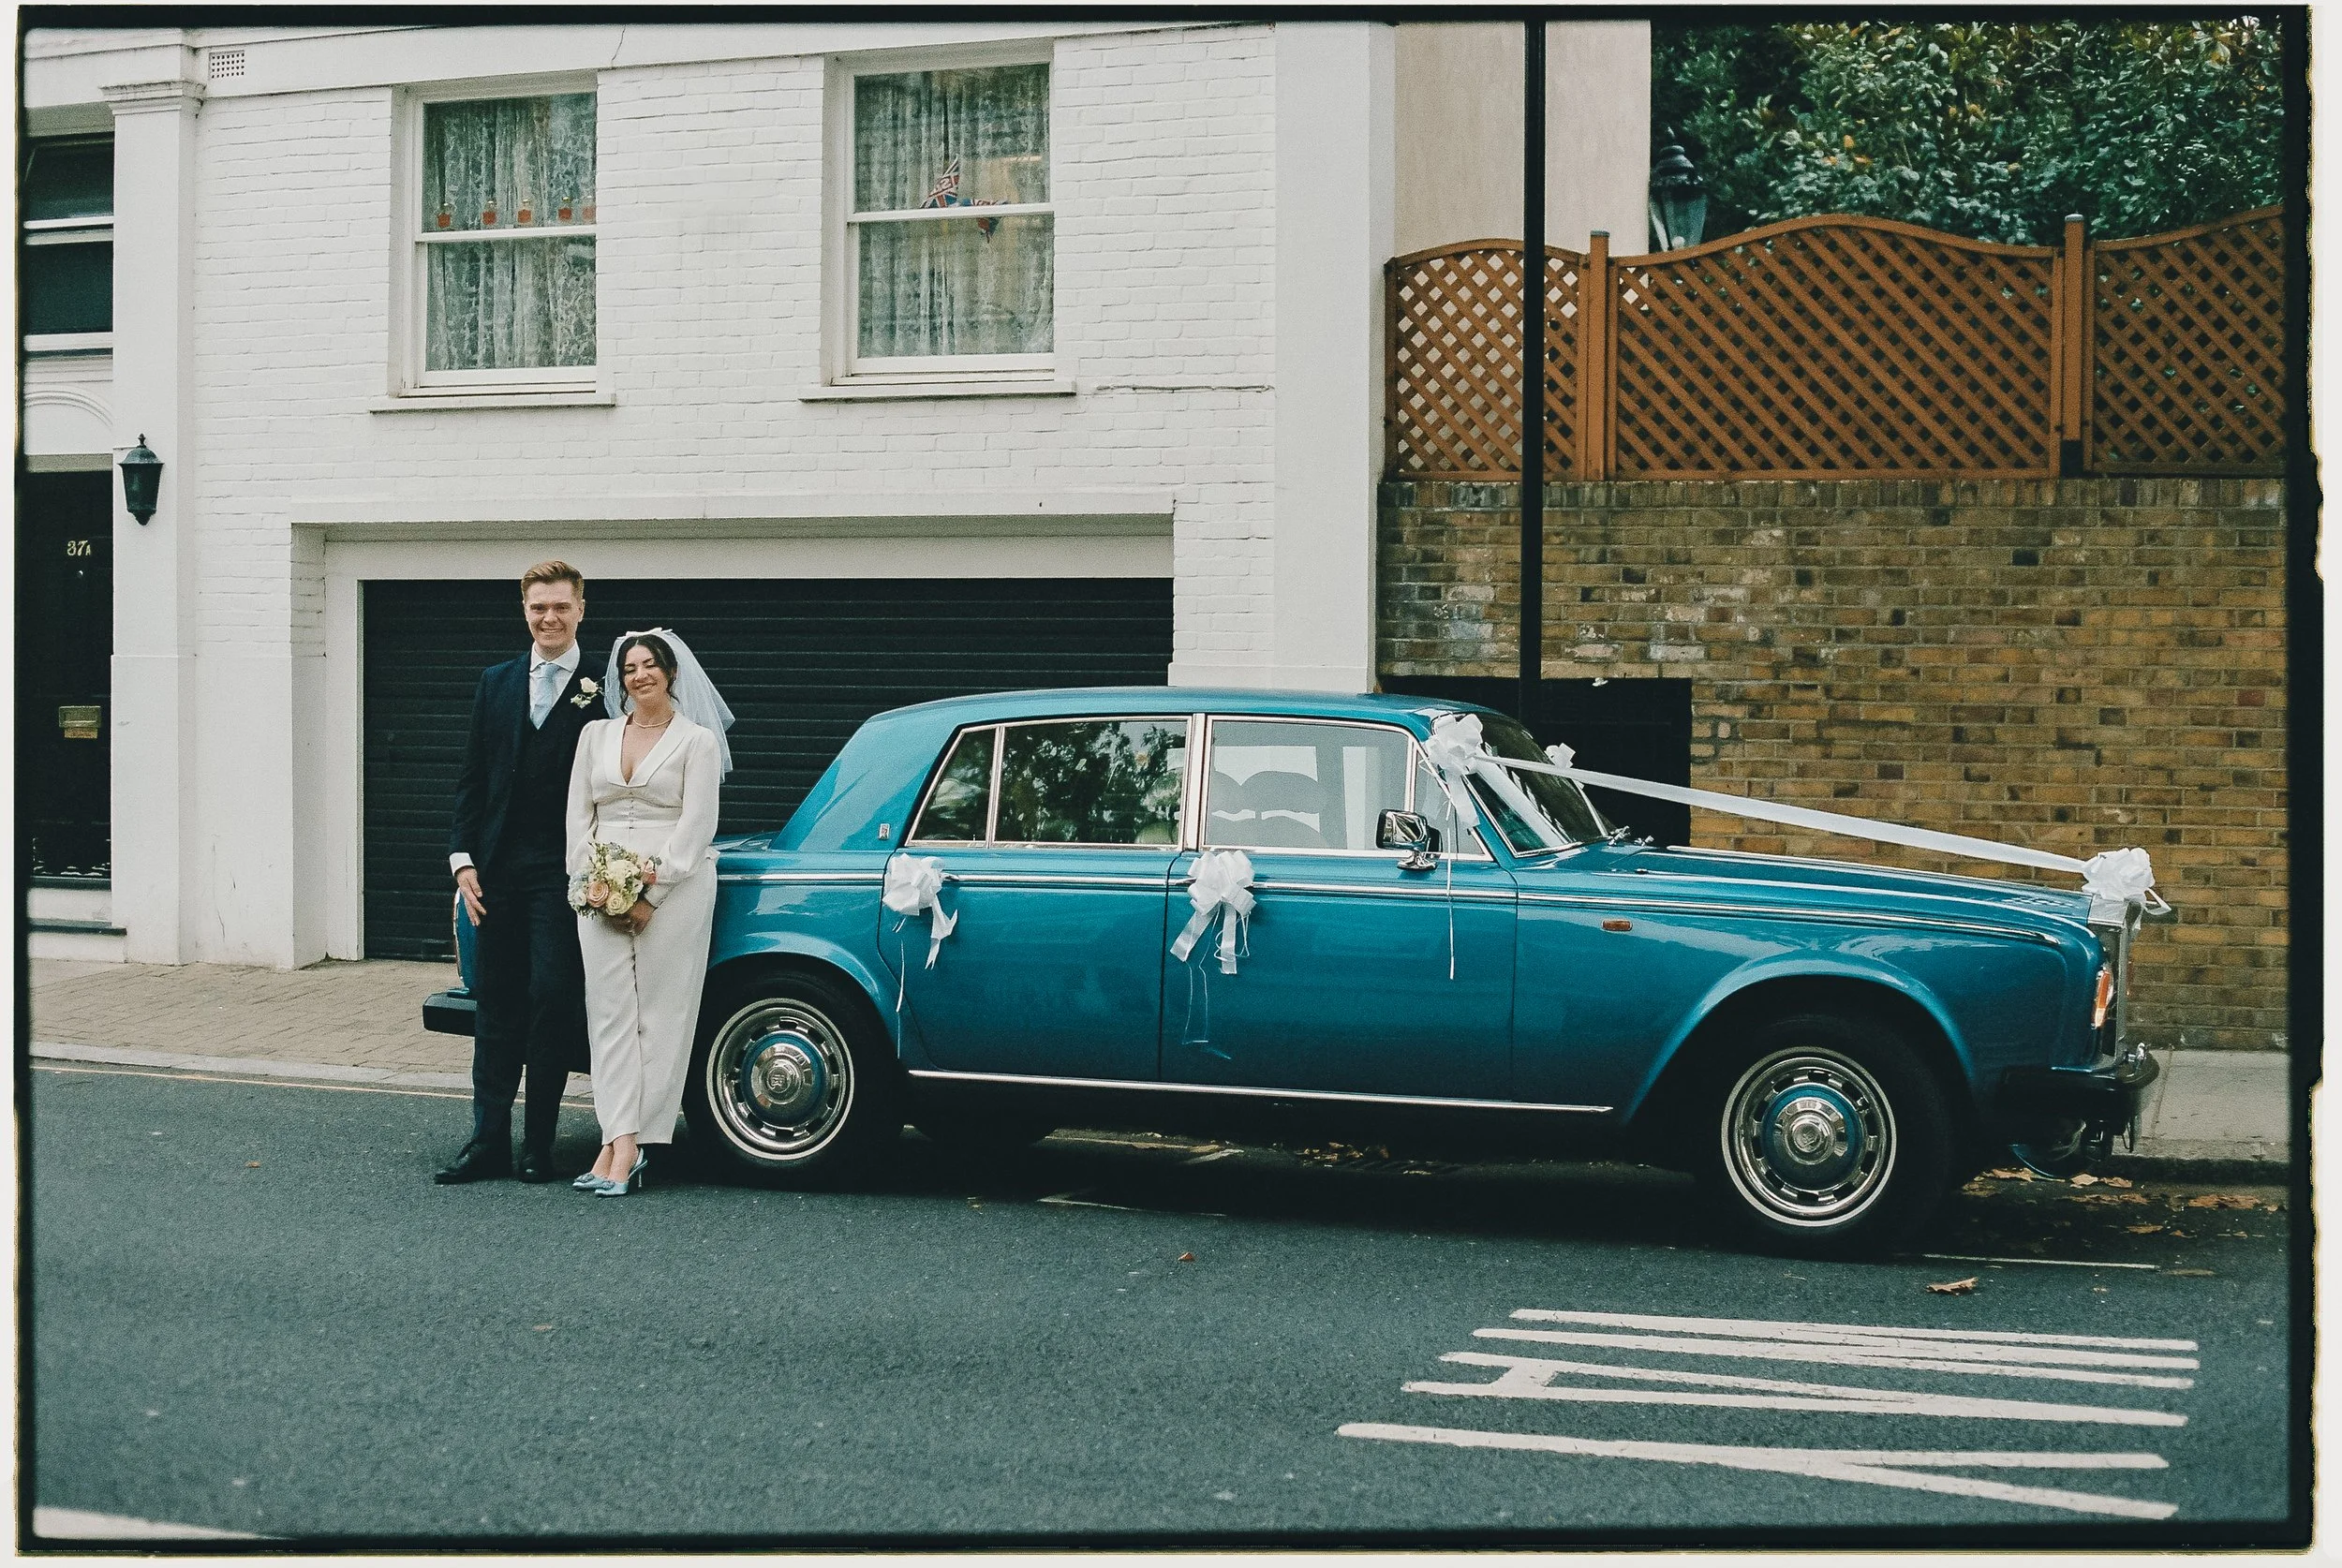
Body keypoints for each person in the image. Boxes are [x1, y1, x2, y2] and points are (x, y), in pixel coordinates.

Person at [438, 561, 600, 1185]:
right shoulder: (497, 682)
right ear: (525, 611)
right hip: (496, 871)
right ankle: (487, 1143)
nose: (550, 618)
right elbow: (472, 779)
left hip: (562, 873)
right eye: (539, 608)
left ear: (580, 608)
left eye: (560, 606)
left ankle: (538, 1145)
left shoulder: (602, 685)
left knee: (553, 1000)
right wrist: (462, 859)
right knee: (496, 1005)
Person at [568, 629, 732, 1195]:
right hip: (599, 888)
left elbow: (696, 829)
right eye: (629, 667)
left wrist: (646, 895)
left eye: (649, 665)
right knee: (608, 1015)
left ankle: (636, 1145)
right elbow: (578, 817)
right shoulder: (595, 735)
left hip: (674, 890)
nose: (639, 676)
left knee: (661, 1017)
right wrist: (592, 884)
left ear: (671, 672)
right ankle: (613, 1136)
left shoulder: (697, 742)